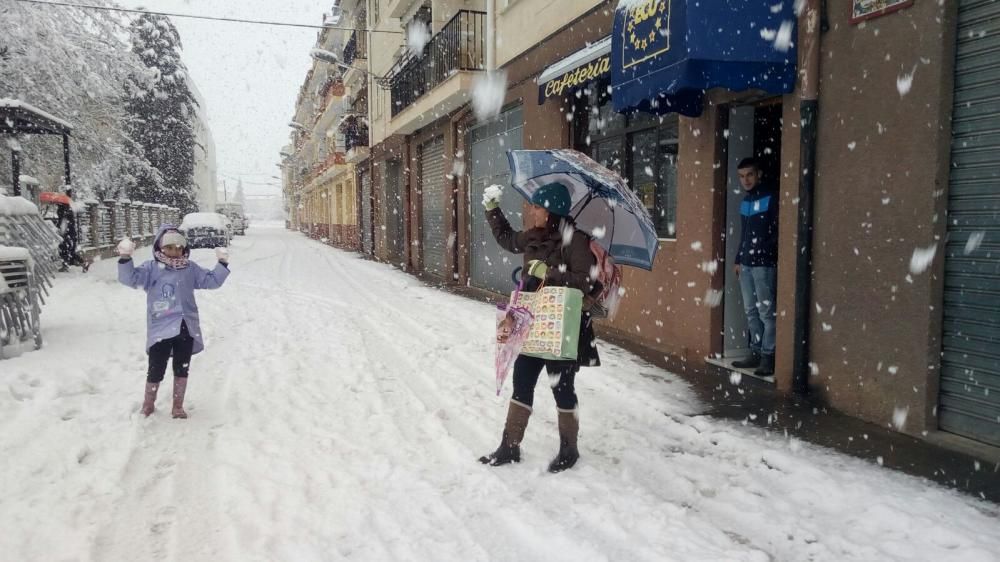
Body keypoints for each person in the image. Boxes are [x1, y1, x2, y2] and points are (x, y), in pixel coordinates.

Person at [478, 181, 600, 473]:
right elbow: (507, 239)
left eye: (536, 206)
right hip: (532, 322)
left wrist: (552, 273)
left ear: (552, 210)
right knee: (522, 380)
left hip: (563, 325)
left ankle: (569, 449)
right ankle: (509, 445)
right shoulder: (534, 237)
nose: (531, 210)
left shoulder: (576, 240)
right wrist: (492, 210)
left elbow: (586, 281)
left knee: (562, 387)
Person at [117, 225, 230, 418]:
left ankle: (178, 405)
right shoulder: (151, 269)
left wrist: (222, 263)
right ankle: (148, 403)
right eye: (169, 247)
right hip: (161, 326)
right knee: (156, 367)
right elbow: (130, 278)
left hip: (185, 326)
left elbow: (211, 281)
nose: (174, 251)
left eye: (178, 247)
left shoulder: (190, 268)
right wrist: (125, 258)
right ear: (160, 248)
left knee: (182, 366)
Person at [732, 157, 779, 376]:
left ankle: (768, 357)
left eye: (750, 174)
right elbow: (745, 234)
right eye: (741, 176)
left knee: (766, 313)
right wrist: (738, 258)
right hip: (746, 265)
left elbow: (777, 231)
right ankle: (756, 352)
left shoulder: (771, 197)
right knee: (751, 311)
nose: (746, 180)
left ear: (758, 174)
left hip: (764, 265)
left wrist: (763, 251)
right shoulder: (746, 201)